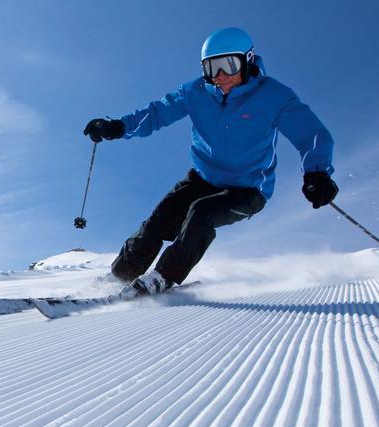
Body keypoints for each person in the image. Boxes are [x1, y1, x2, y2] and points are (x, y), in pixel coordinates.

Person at [83, 26, 338, 295]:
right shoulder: (196, 92)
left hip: (248, 190)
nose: (220, 76)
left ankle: (163, 277)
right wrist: (119, 127)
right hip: (203, 178)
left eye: (228, 65)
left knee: (201, 214)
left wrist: (317, 173)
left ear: (248, 60)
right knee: (160, 219)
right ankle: (120, 276)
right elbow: (158, 113)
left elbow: (311, 133)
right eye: (211, 67)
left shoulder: (274, 96)